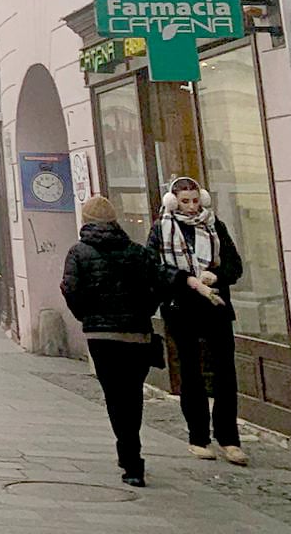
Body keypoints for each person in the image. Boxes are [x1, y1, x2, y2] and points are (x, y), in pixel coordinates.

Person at [62, 193, 167, 487]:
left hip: (101, 336)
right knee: (132, 394)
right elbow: (157, 286)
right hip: (136, 334)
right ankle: (132, 458)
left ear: (86, 221)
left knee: (114, 395)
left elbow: (70, 290)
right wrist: (144, 312)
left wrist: (87, 316)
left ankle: (129, 456)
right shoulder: (137, 252)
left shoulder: (78, 253)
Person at [147, 175, 248, 465]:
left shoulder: (215, 226)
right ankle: (199, 437)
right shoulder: (162, 229)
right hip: (181, 309)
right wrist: (187, 280)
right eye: (184, 201)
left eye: (194, 200)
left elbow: (234, 265)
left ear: (202, 199)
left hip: (216, 306)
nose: (191, 207)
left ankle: (229, 439)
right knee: (190, 373)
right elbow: (154, 268)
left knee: (225, 373)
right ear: (172, 201)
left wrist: (216, 275)